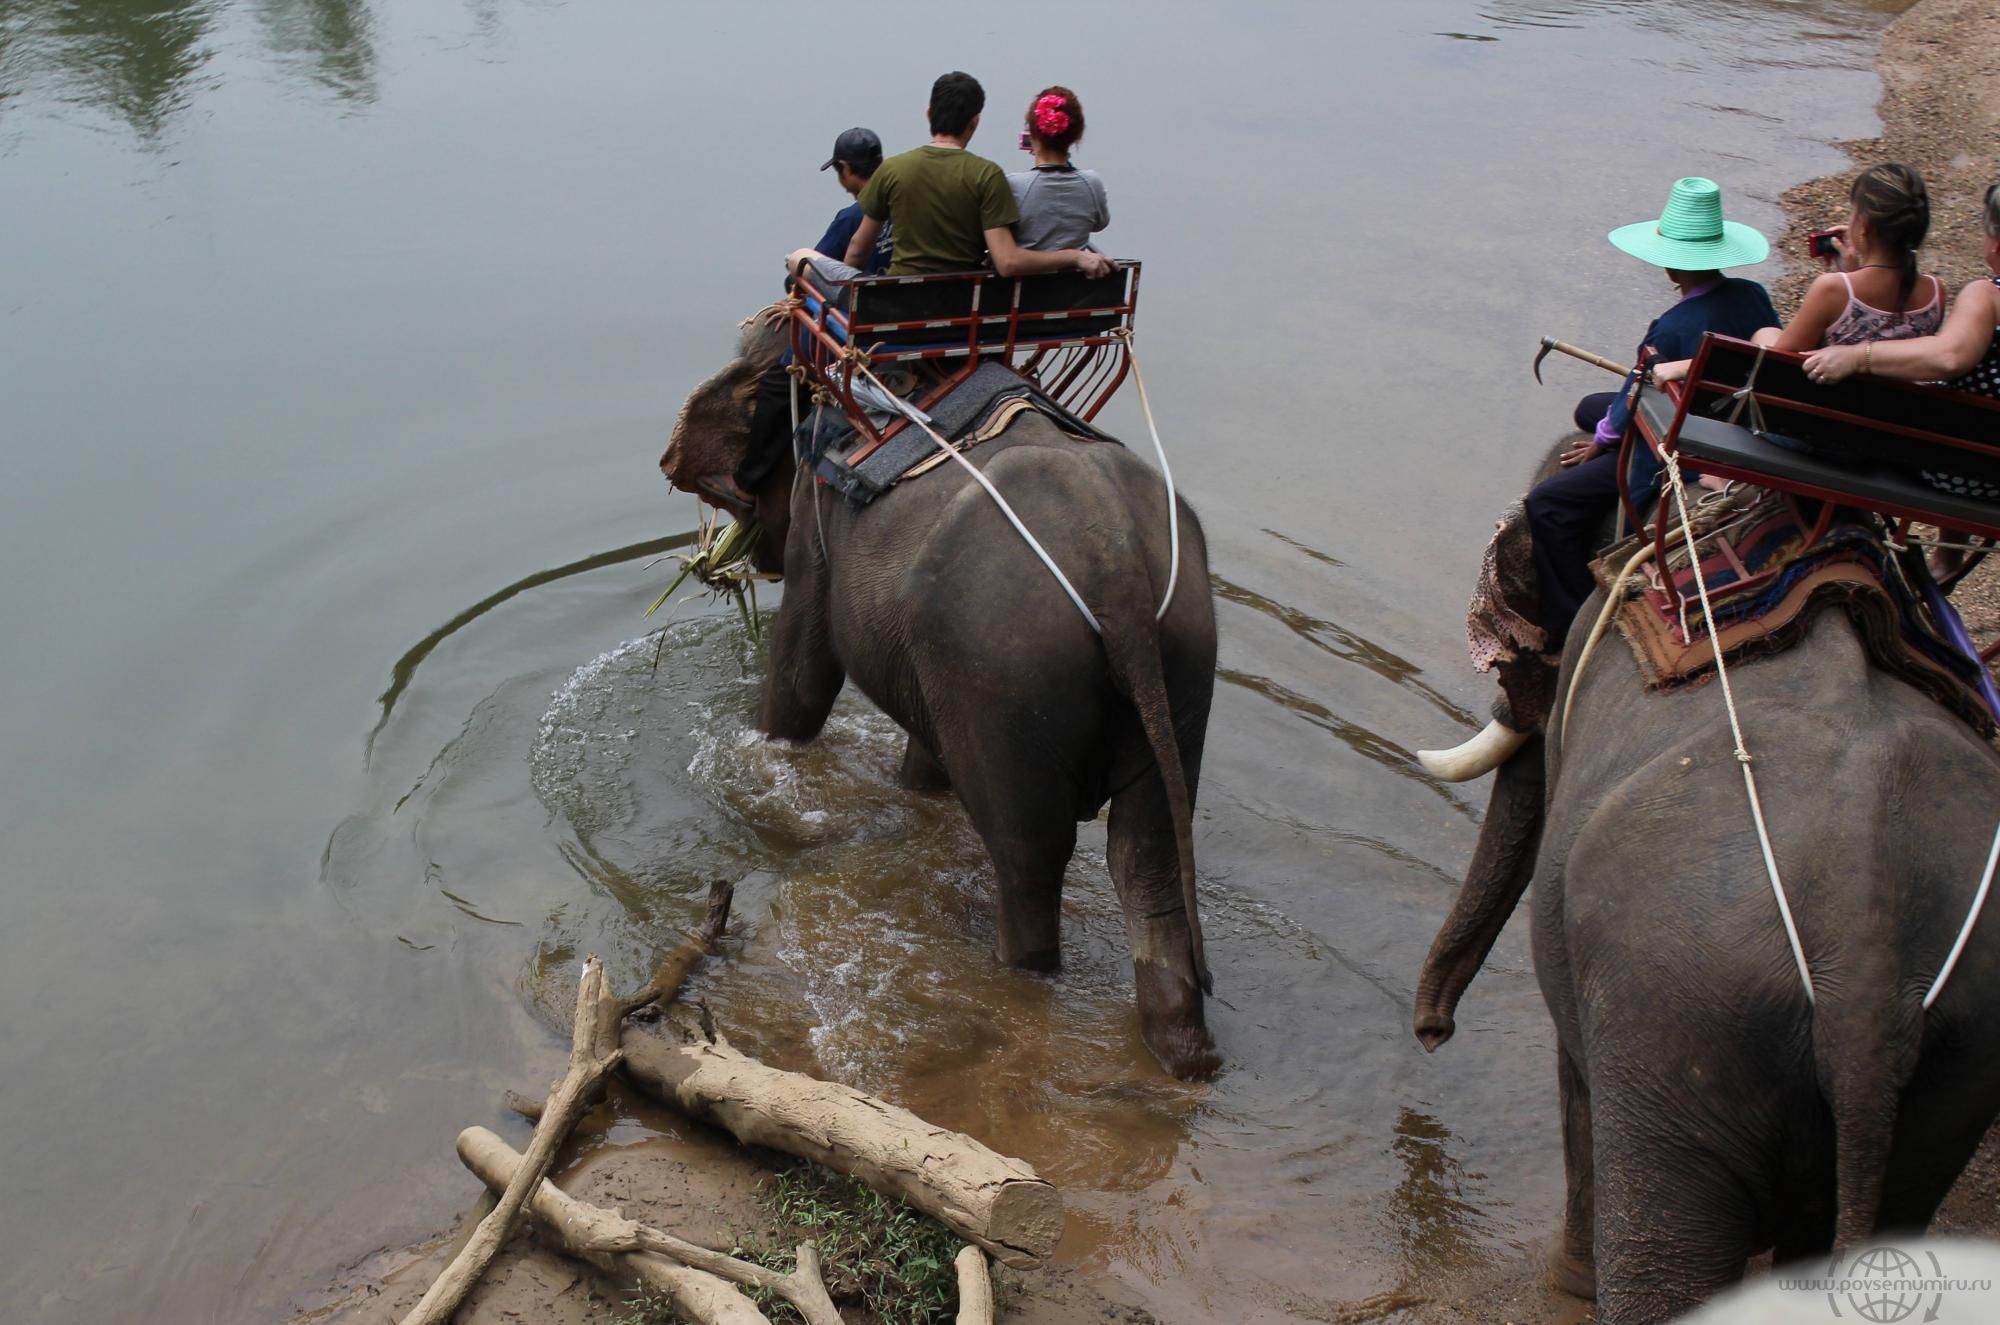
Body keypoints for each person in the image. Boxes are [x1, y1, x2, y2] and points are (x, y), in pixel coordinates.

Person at [1524, 177, 1779, 645]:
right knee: (1590, 407)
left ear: (1669, 264)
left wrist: (1603, 441)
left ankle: (1570, 625)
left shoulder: (1675, 326)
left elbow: (1635, 398)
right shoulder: (1751, 295)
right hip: (1733, 418)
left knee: (1548, 505)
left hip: (1675, 434)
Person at [841, 72, 1110, 278]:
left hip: (897, 310)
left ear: (929, 114)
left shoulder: (892, 169)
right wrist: (1074, 255)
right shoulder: (987, 175)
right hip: (964, 312)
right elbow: (1006, 258)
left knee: (801, 258)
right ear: (975, 122)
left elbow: (857, 249)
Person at [1008, 86, 1110, 254]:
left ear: (1032, 135)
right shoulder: (1093, 184)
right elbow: (1100, 224)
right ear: (1077, 136)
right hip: (1076, 279)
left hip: (1029, 279)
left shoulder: (1014, 185)